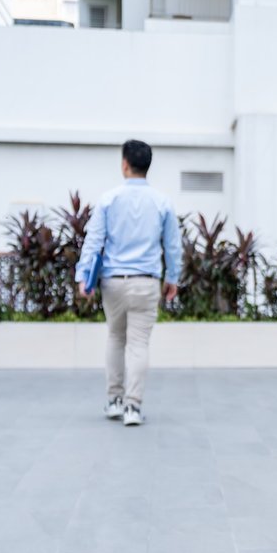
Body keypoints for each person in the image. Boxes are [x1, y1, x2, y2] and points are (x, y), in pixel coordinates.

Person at [75, 139, 183, 427]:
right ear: (147, 166)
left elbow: (93, 241)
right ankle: (133, 407)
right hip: (147, 283)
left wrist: (83, 277)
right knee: (138, 345)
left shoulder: (109, 199)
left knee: (115, 338)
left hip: (113, 282)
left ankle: (114, 401)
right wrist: (173, 277)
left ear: (124, 164)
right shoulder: (162, 202)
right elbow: (173, 246)